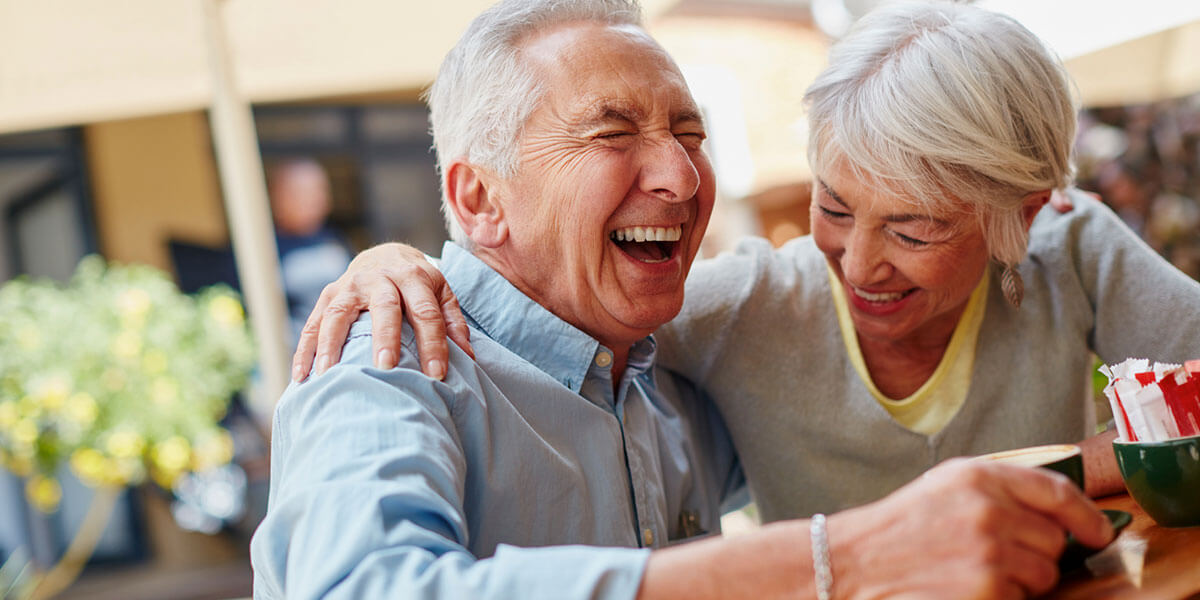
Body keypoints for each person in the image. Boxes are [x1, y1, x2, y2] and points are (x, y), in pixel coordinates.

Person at [252, 1, 1113, 598]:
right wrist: (831, 564)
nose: (681, 174)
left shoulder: (674, 376)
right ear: (479, 200)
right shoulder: (389, 360)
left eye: (690, 133)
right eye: (613, 132)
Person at [267, 158, 352, 346]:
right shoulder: (264, 247)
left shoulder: (334, 238)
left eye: (321, 190)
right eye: (303, 193)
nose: (317, 199)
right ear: (278, 197)